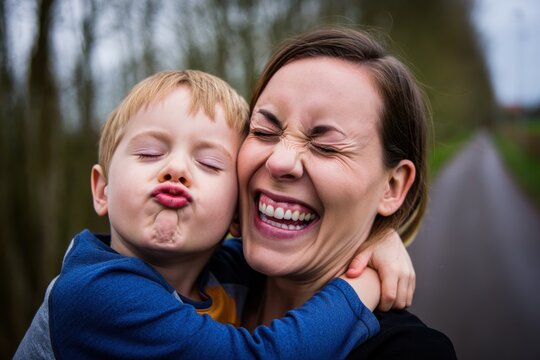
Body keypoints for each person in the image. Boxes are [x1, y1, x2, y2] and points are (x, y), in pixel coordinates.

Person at [15, 69, 412, 359]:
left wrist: (376, 237)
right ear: (102, 190)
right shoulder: (94, 292)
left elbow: (310, 250)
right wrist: (363, 286)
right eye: (150, 153)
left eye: (208, 162)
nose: (176, 170)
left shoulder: (228, 272)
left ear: (238, 211)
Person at [237, 27, 457, 359]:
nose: (280, 161)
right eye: (264, 130)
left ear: (392, 187)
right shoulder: (180, 280)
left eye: (325, 147)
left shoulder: (409, 352)